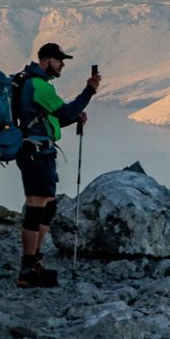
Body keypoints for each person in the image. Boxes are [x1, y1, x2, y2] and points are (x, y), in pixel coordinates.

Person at [12, 42, 100, 287]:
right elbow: (64, 113)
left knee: (47, 207)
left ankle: (34, 261)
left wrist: (73, 118)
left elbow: (49, 120)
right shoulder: (38, 86)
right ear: (45, 60)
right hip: (35, 154)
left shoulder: (35, 83)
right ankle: (27, 270)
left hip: (39, 152)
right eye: (59, 60)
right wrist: (89, 91)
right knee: (35, 208)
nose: (62, 64)